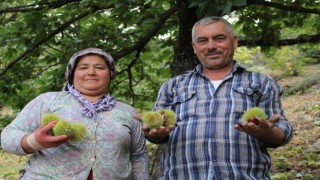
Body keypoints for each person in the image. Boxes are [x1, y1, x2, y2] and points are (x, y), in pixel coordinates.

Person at [137, 16, 294, 179]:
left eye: (219, 38)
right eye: (203, 40)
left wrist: (265, 132)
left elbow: (283, 132)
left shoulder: (261, 83)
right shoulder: (173, 86)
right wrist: (154, 134)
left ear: (234, 42)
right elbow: (156, 129)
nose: (211, 46)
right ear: (194, 47)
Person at [1, 48, 149, 179]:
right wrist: (34, 141)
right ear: (72, 74)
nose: (91, 72)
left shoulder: (128, 113)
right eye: (83, 67)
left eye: (99, 67)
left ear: (110, 74)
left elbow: (139, 157)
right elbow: (7, 136)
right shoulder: (48, 101)